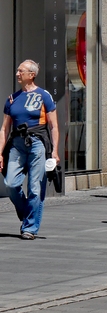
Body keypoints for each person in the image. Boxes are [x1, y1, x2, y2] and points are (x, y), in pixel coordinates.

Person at [0, 60, 59, 240]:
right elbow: (4, 129)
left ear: (31, 75)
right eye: (17, 71)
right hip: (17, 144)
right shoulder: (12, 99)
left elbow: (54, 126)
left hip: (38, 142)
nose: (17, 74)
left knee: (35, 187)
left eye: (21, 71)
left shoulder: (44, 96)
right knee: (11, 183)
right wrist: (0, 152)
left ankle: (30, 228)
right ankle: (27, 213)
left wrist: (55, 151)